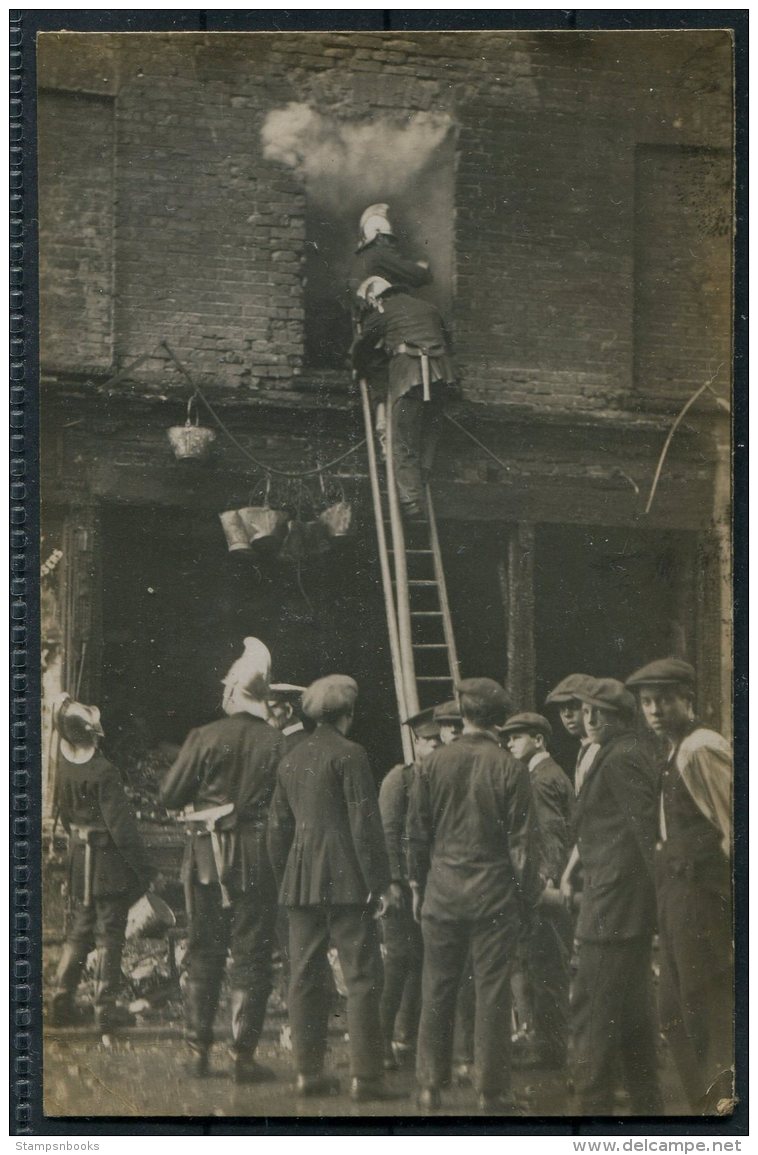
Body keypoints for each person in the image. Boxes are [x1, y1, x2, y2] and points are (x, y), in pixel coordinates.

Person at [407, 678, 542, 1113]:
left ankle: (429, 1087)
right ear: (500, 720)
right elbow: (523, 846)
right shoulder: (511, 768)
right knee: (492, 991)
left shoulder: (430, 765)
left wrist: (417, 885)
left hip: (442, 894)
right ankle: (491, 1092)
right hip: (494, 897)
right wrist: (525, 897)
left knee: (437, 988)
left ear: (462, 715)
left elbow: (416, 837)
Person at [267, 674, 403, 1102]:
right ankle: (367, 1079)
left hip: (300, 881)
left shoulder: (290, 759)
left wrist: (287, 877)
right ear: (347, 714)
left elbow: (277, 830)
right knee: (362, 976)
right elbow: (365, 824)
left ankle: (308, 1074)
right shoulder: (352, 754)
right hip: (348, 882)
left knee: (304, 975)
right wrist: (381, 884)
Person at [160, 637, 282, 1083]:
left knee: (204, 951)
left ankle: (197, 1052)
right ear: (265, 697)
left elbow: (170, 794)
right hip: (257, 858)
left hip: (206, 859)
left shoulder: (204, 737)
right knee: (252, 955)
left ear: (232, 691)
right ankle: (243, 1058)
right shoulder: (277, 743)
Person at [626, 658, 733, 1114]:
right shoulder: (670, 753)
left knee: (705, 1003)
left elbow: (733, 823)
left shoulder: (700, 748)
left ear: (687, 700)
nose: (654, 710)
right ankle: (703, 1107)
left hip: (700, 896)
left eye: (665, 699)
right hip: (673, 894)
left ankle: (725, 1106)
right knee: (672, 1009)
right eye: (647, 702)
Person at [559, 677, 662, 1115]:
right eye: (586, 711)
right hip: (620, 908)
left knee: (593, 1020)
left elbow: (646, 834)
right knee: (633, 1022)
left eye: (600, 712)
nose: (590, 719)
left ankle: (591, 1119)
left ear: (621, 718)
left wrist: (659, 907)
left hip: (614, 910)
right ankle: (647, 1115)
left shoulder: (620, 758)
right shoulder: (617, 754)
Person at [49, 695, 155, 1032]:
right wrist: (145, 869)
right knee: (111, 934)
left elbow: (63, 817)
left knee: (80, 930)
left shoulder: (63, 765)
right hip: (108, 864)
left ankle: (61, 1002)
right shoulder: (105, 772)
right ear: (93, 733)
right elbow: (123, 830)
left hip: (80, 860)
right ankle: (105, 1010)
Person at [500, 712, 575, 1071]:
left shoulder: (540, 779)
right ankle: (550, 1045)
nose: (510, 742)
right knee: (547, 967)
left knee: (547, 968)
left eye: (517, 736)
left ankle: (550, 1050)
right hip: (549, 885)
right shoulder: (547, 773)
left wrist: (546, 879)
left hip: (545, 889)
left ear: (539, 740)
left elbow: (551, 835)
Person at [352, 275, 454, 522]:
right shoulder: (428, 307)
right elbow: (448, 341)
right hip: (442, 376)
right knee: (428, 431)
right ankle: (421, 478)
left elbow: (362, 344)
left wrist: (358, 367)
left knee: (401, 438)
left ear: (375, 299)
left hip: (411, 377)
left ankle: (411, 501)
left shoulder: (383, 309)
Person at [378, 707, 441, 1070]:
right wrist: (393, 882)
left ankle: (408, 1039)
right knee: (399, 962)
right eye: (427, 741)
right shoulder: (398, 780)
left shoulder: (446, 778)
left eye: (438, 740)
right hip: (404, 890)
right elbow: (388, 835)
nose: (433, 747)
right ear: (415, 744)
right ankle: (380, 1041)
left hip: (437, 887)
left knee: (423, 964)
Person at [350, 203, 432, 297]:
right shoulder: (378, 253)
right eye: (387, 238)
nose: (391, 244)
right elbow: (417, 276)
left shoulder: (363, 257)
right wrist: (422, 269)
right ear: (379, 237)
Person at [267, 682, 308, 753]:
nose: (266, 715)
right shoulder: (307, 738)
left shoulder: (291, 744)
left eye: (272, 709)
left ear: (289, 710)